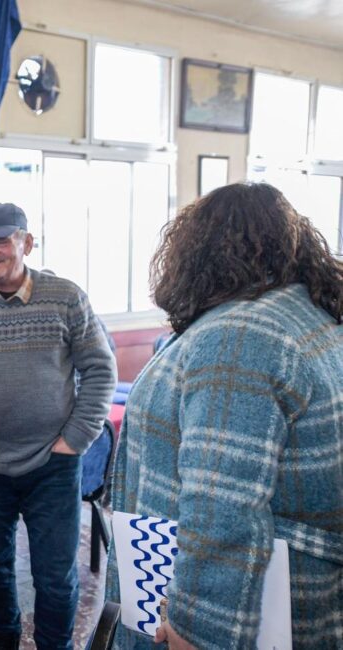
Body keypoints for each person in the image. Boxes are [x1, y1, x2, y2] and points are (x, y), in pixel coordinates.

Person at [107, 182, 343, 649]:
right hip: (305, 585)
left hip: (247, 606)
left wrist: (199, 631)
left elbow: (223, 507)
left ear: (196, 253)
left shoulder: (241, 334)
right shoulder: (304, 312)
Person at [0, 203, 116, 650]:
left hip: (51, 465)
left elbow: (100, 370)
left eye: (1, 240)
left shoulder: (65, 297)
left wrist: (74, 441)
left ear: (26, 243)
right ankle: (6, 643)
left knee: (54, 575)